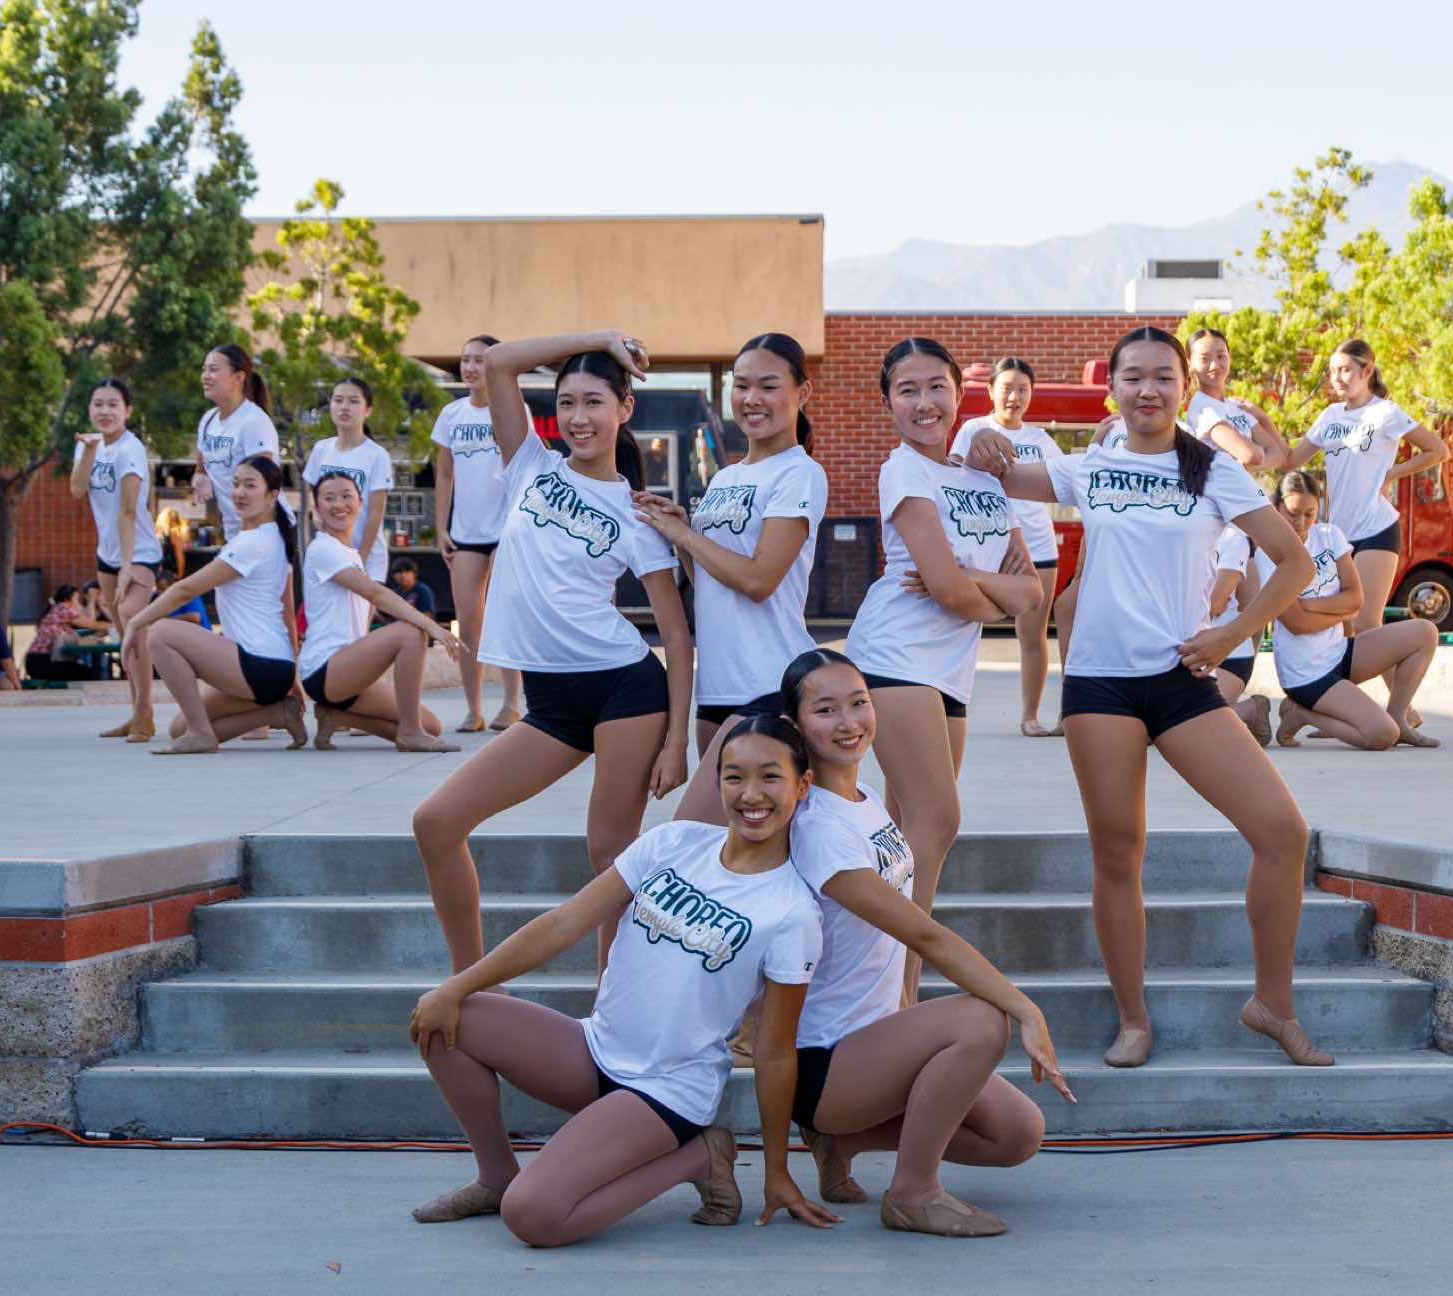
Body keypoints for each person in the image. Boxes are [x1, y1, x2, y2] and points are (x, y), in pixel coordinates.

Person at [961, 325, 1329, 1070]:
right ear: (1113, 389)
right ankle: (1133, 1019)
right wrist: (983, 447)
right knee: (1118, 853)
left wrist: (1230, 635)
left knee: (1283, 832)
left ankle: (1273, 1003)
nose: (1148, 389)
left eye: (1164, 376)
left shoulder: (1214, 471)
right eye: (1133, 376)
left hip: (1182, 680)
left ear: (1185, 389)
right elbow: (993, 474)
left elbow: (1291, 562)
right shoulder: (1089, 466)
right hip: (1099, 684)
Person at [407, 718, 825, 1247]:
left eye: (770, 777)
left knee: (534, 1216)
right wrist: (457, 986)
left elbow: (776, 1051)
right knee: (444, 1017)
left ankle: (699, 1155)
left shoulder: (792, 910)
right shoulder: (673, 843)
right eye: (735, 777)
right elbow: (564, 923)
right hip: (595, 1049)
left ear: (802, 786)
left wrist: (776, 1169)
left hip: (668, 1089)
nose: (751, 794)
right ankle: (495, 1177)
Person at [411, 330, 692, 973]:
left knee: (610, 857)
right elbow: (500, 361)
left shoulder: (637, 513)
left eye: (594, 402)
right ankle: (473, 988)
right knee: (437, 822)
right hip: (551, 703)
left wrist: (676, 740)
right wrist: (601, 340)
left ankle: (616, 1007)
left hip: (625, 690)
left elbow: (676, 637)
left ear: (625, 409)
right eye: (567, 402)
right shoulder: (529, 465)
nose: (578, 417)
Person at [768, 648, 1072, 1235]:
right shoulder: (820, 828)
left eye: (859, 703)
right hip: (824, 1060)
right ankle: (912, 1192)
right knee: (981, 1020)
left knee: (1017, 1134)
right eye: (826, 710)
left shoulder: (863, 800)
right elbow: (923, 934)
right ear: (794, 726)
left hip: (875, 1040)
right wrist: (1026, 1009)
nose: (849, 722)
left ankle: (841, 1141)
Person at [844, 338, 1043, 1005]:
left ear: (961, 394)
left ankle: (867, 984)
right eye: (907, 390)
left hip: (951, 672)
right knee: (937, 823)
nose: (924, 402)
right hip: (895, 657)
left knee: (905, 838)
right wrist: (982, 589)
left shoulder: (982, 477)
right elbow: (955, 591)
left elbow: (1030, 592)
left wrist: (970, 584)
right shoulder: (903, 472)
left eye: (937, 387)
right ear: (888, 403)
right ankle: (899, 997)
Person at [631, 331, 827, 823]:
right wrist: (682, 537)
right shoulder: (725, 477)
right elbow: (711, 584)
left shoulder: (799, 474)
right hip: (716, 689)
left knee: (690, 834)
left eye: (768, 386)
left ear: (802, 391)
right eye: (741, 385)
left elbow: (760, 580)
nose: (751, 399)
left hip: (768, 684)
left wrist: (686, 534)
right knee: (735, 845)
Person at [1283, 340, 1450, 683]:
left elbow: (1437, 450)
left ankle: (1397, 705)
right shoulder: (1329, 416)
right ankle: (1343, 699)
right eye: (1333, 371)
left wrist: (1391, 473)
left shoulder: (1385, 412)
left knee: (1365, 621)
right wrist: (1258, 423)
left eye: (1345, 369)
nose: (1337, 377)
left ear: (1367, 370)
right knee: (1344, 627)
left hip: (1377, 527)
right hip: (1339, 534)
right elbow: (1290, 459)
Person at [124, 454, 306, 755]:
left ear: (272, 496)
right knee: (178, 728)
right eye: (236, 484)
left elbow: (186, 590)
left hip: (259, 664)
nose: (239, 492)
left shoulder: (253, 543)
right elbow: (286, 610)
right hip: (272, 667)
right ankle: (276, 714)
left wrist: (135, 622)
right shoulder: (271, 537)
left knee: (161, 634)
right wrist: (292, 673)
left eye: (250, 485)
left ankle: (201, 735)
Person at [1265, 471, 1441, 751]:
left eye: (1310, 514)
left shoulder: (1329, 535)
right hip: (1306, 673)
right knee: (1382, 735)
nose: (1301, 523)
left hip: (1341, 653)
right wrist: (1341, 611)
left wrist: (1310, 605)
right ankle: (1303, 713)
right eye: (1292, 514)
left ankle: (1399, 716)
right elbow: (1296, 624)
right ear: (1276, 507)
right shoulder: (1269, 552)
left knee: (1425, 632)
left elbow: (1356, 599)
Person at [301, 469, 461, 752]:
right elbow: (375, 592)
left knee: (432, 726)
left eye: (346, 496)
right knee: (410, 633)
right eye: (329, 498)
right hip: (325, 669)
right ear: (317, 507)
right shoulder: (323, 548)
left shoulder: (350, 553)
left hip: (351, 670)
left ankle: (336, 716)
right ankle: (410, 733)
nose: (339, 504)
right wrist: (432, 626)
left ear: (360, 503)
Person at [949, 358, 1066, 738]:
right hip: (988, 548)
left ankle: (1030, 716)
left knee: (1032, 634)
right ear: (990, 391)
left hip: (1039, 548)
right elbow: (953, 480)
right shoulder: (973, 430)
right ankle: (947, 707)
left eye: (1022, 389)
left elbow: (1067, 483)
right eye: (1006, 388)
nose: (1014, 397)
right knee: (961, 624)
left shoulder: (1040, 440)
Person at [431, 334, 523, 734]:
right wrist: (441, 527)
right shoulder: (451, 414)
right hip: (465, 533)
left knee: (505, 617)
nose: (470, 367)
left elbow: (526, 468)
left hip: (505, 531)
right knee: (469, 624)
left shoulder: (512, 410)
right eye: (465, 359)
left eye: (480, 360)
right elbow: (444, 474)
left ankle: (511, 704)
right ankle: (474, 709)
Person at [70, 377, 159, 740]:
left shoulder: (130, 449)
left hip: (138, 553)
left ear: (128, 411)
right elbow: (77, 489)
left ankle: (145, 713)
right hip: (106, 554)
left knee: (134, 625)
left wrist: (126, 567)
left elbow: (127, 511)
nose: (104, 411)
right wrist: (89, 451)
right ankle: (136, 711)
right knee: (126, 636)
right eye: (98, 404)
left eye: (112, 405)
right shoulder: (88, 445)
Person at [302, 377, 395, 583]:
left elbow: (376, 514)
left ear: (367, 410)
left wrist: (360, 558)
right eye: (338, 400)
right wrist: (316, 517)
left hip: (366, 558)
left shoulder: (377, 455)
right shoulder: (321, 449)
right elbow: (313, 497)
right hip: (329, 556)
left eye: (353, 401)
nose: (344, 407)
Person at [192, 344, 279, 542]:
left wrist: (249, 537)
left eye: (213, 369)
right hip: (234, 532)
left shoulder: (254, 421)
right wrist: (201, 479)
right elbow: (200, 469)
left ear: (238, 377)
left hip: (262, 532)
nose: (205, 376)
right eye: (204, 369)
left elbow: (261, 484)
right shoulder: (208, 420)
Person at [1183, 328, 1291, 471]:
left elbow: (1278, 455)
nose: (1215, 365)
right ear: (1189, 364)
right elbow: (1250, 455)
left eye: (1221, 356)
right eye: (1205, 358)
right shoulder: (1202, 410)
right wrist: (1258, 453)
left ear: (1230, 357)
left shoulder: (1236, 405)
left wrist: (1246, 463)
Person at [1206, 525, 1270, 744]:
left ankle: (1251, 709)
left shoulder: (1232, 538)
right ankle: (1232, 710)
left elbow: (1215, 604)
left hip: (1228, 658)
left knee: (1179, 721)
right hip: (1183, 655)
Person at [373, 557, 437, 628]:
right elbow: (387, 618)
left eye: (407, 571)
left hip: (419, 631)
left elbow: (427, 616)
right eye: (399, 572)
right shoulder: (394, 593)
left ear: (414, 574)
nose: (403, 575)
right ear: (393, 575)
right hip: (397, 630)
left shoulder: (422, 590)